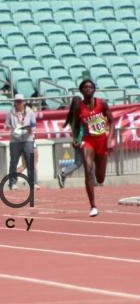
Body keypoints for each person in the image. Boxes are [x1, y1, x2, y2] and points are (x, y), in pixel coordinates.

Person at [73, 79, 115, 217]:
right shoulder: (79, 107)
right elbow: (76, 126)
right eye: (85, 87)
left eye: (91, 87)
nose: (88, 89)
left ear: (94, 90)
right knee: (88, 170)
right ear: (81, 90)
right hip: (88, 141)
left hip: (102, 141)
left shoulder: (102, 104)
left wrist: (109, 140)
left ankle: (99, 178)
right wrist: (75, 139)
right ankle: (93, 206)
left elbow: (112, 122)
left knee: (100, 178)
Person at [4, 94, 37, 191]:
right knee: (13, 162)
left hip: (28, 140)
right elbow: (6, 125)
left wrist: (31, 130)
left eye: (20, 101)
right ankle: (13, 183)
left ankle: (33, 183)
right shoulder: (11, 112)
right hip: (15, 140)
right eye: (17, 101)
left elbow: (34, 125)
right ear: (14, 102)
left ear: (24, 102)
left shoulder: (30, 112)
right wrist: (10, 128)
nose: (18, 103)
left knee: (30, 162)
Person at [58, 96, 85, 188]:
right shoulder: (80, 115)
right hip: (83, 141)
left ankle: (64, 173)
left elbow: (74, 130)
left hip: (77, 140)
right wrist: (80, 140)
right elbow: (81, 129)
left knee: (81, 162)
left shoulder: (71, 115)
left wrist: (75, 140)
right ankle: (64, 173)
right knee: (81, 162)